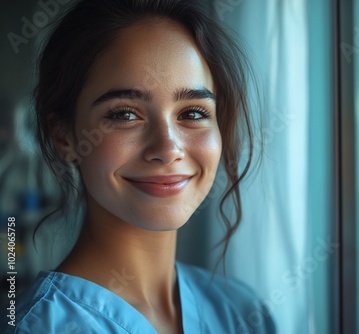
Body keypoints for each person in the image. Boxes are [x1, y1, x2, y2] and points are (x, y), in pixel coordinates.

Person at [4, 0, 275, 333]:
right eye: (124, 114)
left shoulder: (241, 312)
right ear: (64, 136)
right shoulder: (45, 327)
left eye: (192, 113)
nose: (168, 148)